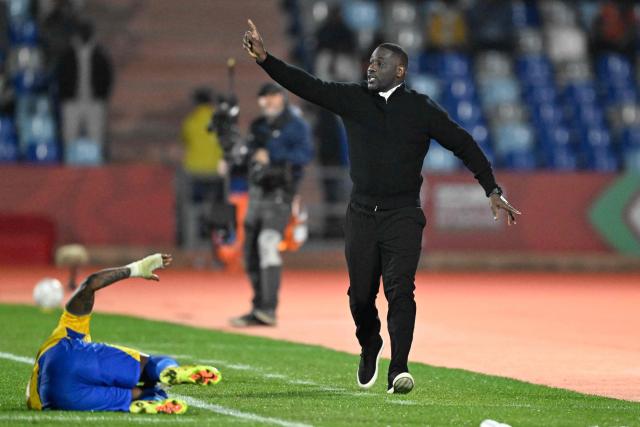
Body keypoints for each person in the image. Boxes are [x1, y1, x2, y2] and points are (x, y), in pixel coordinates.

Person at [243, 19, 521, 394]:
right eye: (370, 62)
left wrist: (491, 188)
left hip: (403, 215)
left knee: (400, 290)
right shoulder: (353, 98)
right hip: (360, 215)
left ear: (399, 70)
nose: (370, 67)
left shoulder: (422, 109)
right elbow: (308, 86)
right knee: (360, 296)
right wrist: (265, 59)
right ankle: (369, 343)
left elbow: (464, 144)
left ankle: (399, 369)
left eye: (379, 63)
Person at [26, 253, 221, 414]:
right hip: (65, 356)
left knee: (131, 396)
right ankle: (167, 371)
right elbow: (91, 283)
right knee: (150, 365)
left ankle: (151, 400)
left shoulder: (33, 395)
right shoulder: (69, 327)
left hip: (55, 396)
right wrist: (136, 268)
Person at [230, 82, 313, 327]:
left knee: (267, 244)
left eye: (273, 97)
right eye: (264, 98)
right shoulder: (258, 126)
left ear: (282, 98)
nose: (268, 102)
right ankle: (258, 307)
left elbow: (305, 155)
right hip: (256, 193)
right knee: (250, 253)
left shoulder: (296, 126)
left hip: (279, 195)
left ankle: (269, 308)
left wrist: (273, 157)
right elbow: (246, 154)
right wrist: (233, 158)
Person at [56, 20, 113, 157]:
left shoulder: (99, 55)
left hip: (93, 102)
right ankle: (69, 163)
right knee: (70, 135)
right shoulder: (68, 54)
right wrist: (65, 94)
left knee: (96, 136)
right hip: (72, 101)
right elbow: (61, 75)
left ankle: (96, 164)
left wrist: (101, 95)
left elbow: (107, 76)